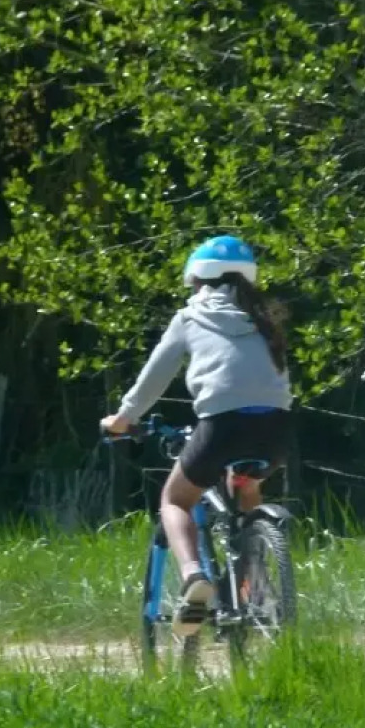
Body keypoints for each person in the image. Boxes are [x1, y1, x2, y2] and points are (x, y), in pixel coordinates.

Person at [101, 235, 292, 634]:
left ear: (197, 279)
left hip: (221, 427)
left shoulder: (191, 316)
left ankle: (193, 578)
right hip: (275, 429)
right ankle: (251, 581)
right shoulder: (264, 318)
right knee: (246, 490)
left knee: (174, 499)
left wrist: (122, 419)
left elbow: (153, 379)